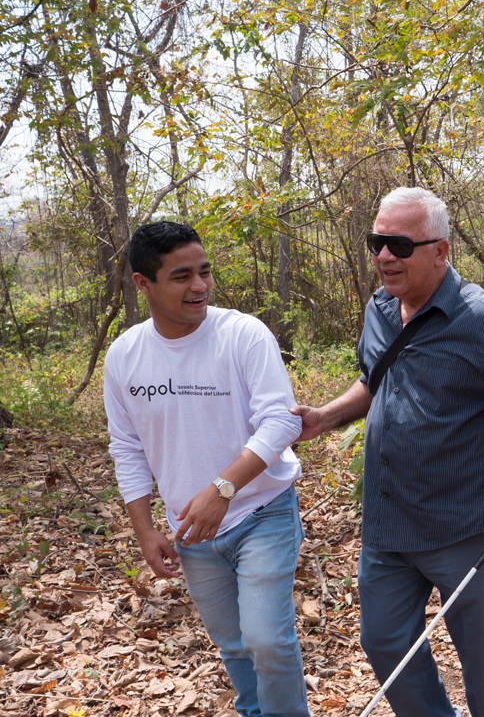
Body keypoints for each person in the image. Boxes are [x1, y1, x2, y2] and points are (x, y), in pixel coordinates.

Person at [290, 187, 484, 717]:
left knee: (479, 659)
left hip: (460, 523)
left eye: (399, 244)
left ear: (440, 251)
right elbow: (376, 379)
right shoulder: (379, 308)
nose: (384, 256)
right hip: (386, 520)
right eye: (377, 242)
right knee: (383, 640)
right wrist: (325, 417)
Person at [104, 221, 309, 717]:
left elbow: (281, 421)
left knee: (266, 640)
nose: (199, 286)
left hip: (262, 513)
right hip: (191, 531)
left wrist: (223, 488)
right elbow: (126, 447)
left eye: (204, 272)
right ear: (142, 284)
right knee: (233, 643)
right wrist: (145, 528)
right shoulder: (126, 356)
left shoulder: (242, 334)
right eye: (181, 276)